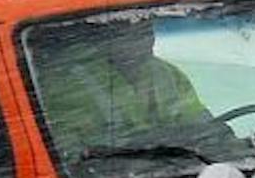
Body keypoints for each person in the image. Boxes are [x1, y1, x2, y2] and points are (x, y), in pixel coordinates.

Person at [34, 17, 216, 161]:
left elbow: (204, 128)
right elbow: (68, 158)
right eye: (131, 31)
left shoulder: (166, 73)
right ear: (105, 34)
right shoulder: (64, 84)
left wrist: (231, 151)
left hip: (176, 175)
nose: (147, 40)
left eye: (147, 28)